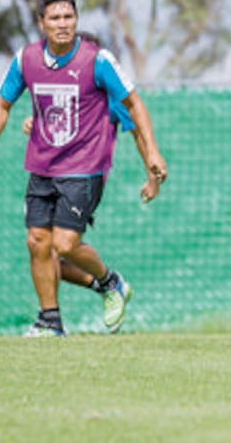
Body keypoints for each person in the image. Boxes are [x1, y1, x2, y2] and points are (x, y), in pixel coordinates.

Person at [0, 0, 168, 337]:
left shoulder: (99, 65)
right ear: (41, 23)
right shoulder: (27, 60)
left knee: (63, 245)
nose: (63, 24)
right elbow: (2, 104)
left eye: (69, 17)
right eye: (55, 18)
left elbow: (135, 114)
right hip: (42, 168)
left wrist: (152, 160)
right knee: (38, 243)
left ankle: (110, 283)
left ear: (76, 21)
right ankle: (49, 321)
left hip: (84, 169)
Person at [20, 31, 162, 320]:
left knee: (63, 245)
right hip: (50, 177)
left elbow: (137, 132)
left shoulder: (110, 97)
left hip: (83, 178)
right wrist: (34, 123)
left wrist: (152, 174)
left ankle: (110, 282)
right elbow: (53, 124)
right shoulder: (63, 90)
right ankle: (58, 317)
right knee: (42, 251)